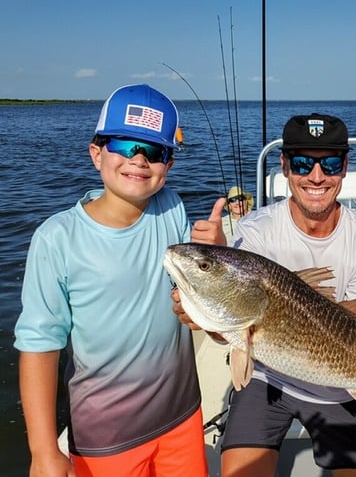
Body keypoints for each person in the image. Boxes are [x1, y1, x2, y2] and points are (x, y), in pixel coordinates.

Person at [174, 113, 356, 477]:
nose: (316, 176)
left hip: (343, 386)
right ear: (284, 166)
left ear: (345, 168)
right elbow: (230, 326)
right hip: (267, 379)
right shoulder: (256, 231)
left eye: (329, 163)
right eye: (302, 163)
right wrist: (203, 307)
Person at [14, 84, 219, 476]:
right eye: (125, 145)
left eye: (155, 152)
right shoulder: (57, 238)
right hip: (106, 436)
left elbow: (184, 295)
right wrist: (43, 451)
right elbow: (40, 345)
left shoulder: (172, 208)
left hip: (182, 415)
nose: (139, 160)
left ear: (169, 166)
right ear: (96, 153)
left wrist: (216, 249)